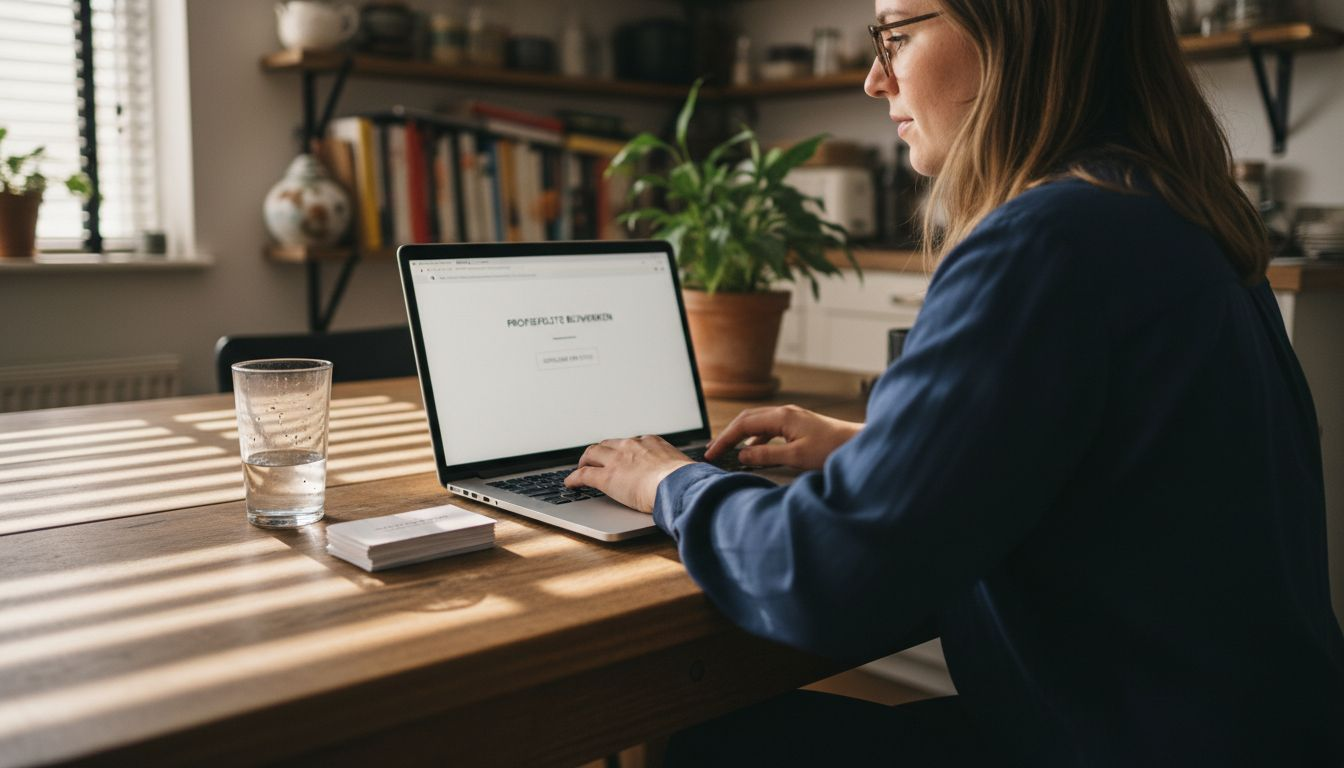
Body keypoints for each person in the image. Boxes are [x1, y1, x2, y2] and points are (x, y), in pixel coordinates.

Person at [564, 0, 1344, 764]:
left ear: (1016, 28)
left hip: (1111, 739)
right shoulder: (1172, 211)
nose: (875, 78)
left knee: (708, 745)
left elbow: (829, 577)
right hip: (1249, 729)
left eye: (896, 35)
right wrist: (880, 453)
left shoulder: (1045, 240)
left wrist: (670, 480)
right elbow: (1123, 475)